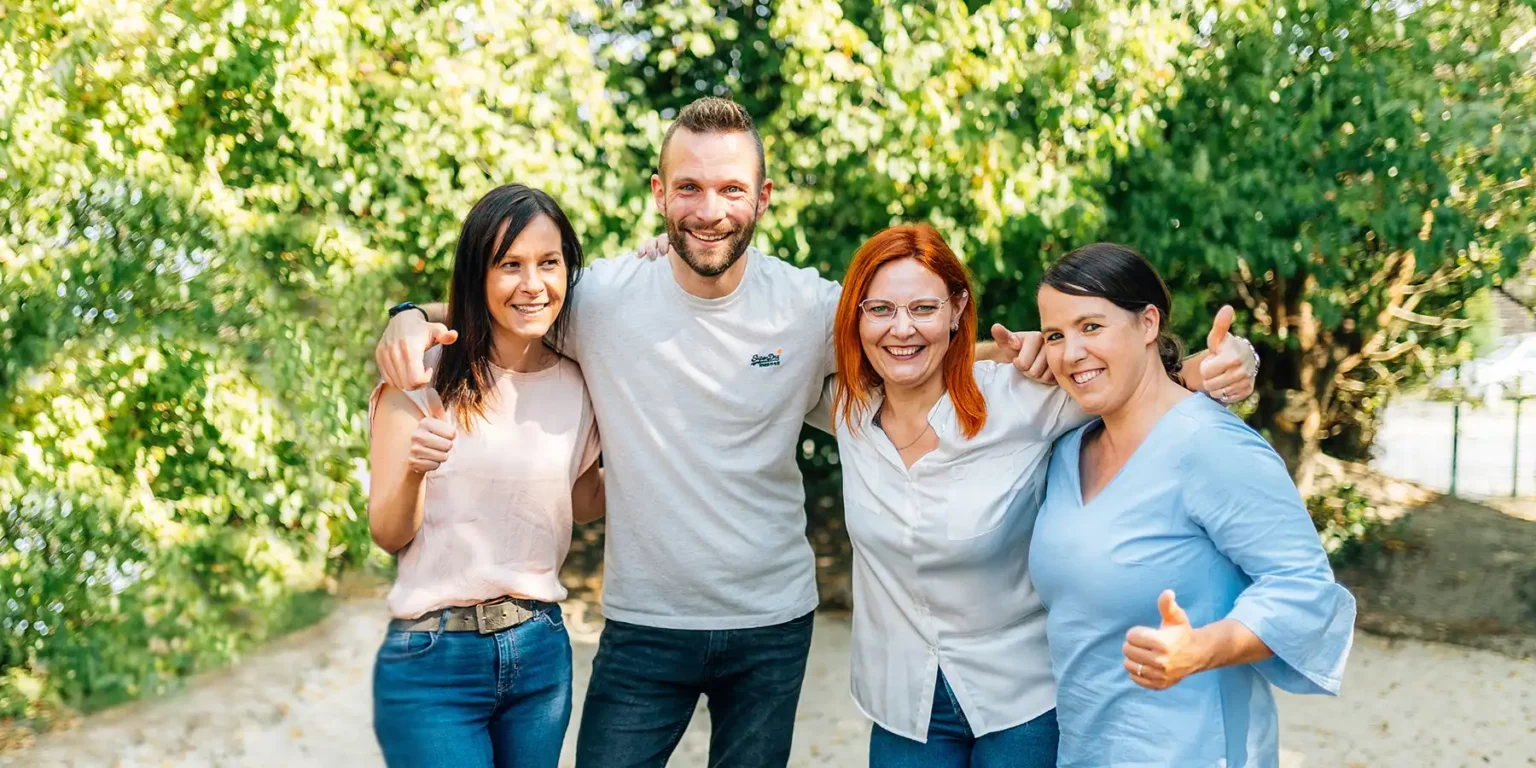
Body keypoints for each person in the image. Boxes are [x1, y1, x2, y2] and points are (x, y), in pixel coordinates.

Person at [373, 96, 1257, 768]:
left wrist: (1185, 371)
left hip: (772, 622)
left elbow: (924, 351)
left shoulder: (814, 309)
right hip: (644, 623)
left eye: (729, 189)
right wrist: (410, 316)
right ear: (659, 195)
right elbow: (505, 305)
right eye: (688, 188)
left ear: (762, 196)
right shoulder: (598, 299)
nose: (708, 209)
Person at [823, 225, 1256, 768]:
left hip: (1022, 700)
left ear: (958, 309)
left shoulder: (1023, 398)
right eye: (880, 309)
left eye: (924, 308)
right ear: (856, 317)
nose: (901, 328)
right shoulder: (844, 409)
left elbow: (1151, 381)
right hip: (900, 703)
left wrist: (1228, 365)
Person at [1028, 243, 1355, 768]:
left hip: (1195, 750)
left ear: (1148, 323)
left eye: (1092, 326)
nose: (1070, 353)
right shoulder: (1068, 452)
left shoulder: (1212, 445)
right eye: (1055, 335)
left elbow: (1304, 589)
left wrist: (1200, 649)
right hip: (1086, 751)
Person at [367, 184, 604, 768]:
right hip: (433, 657)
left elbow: (583, 502)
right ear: (478, 276)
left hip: (540, 652)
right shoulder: (421, 378)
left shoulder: (580, 383)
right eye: (510, 265)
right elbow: (389, 533)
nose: (532, 284)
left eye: (549, 263)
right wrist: (416, 472)